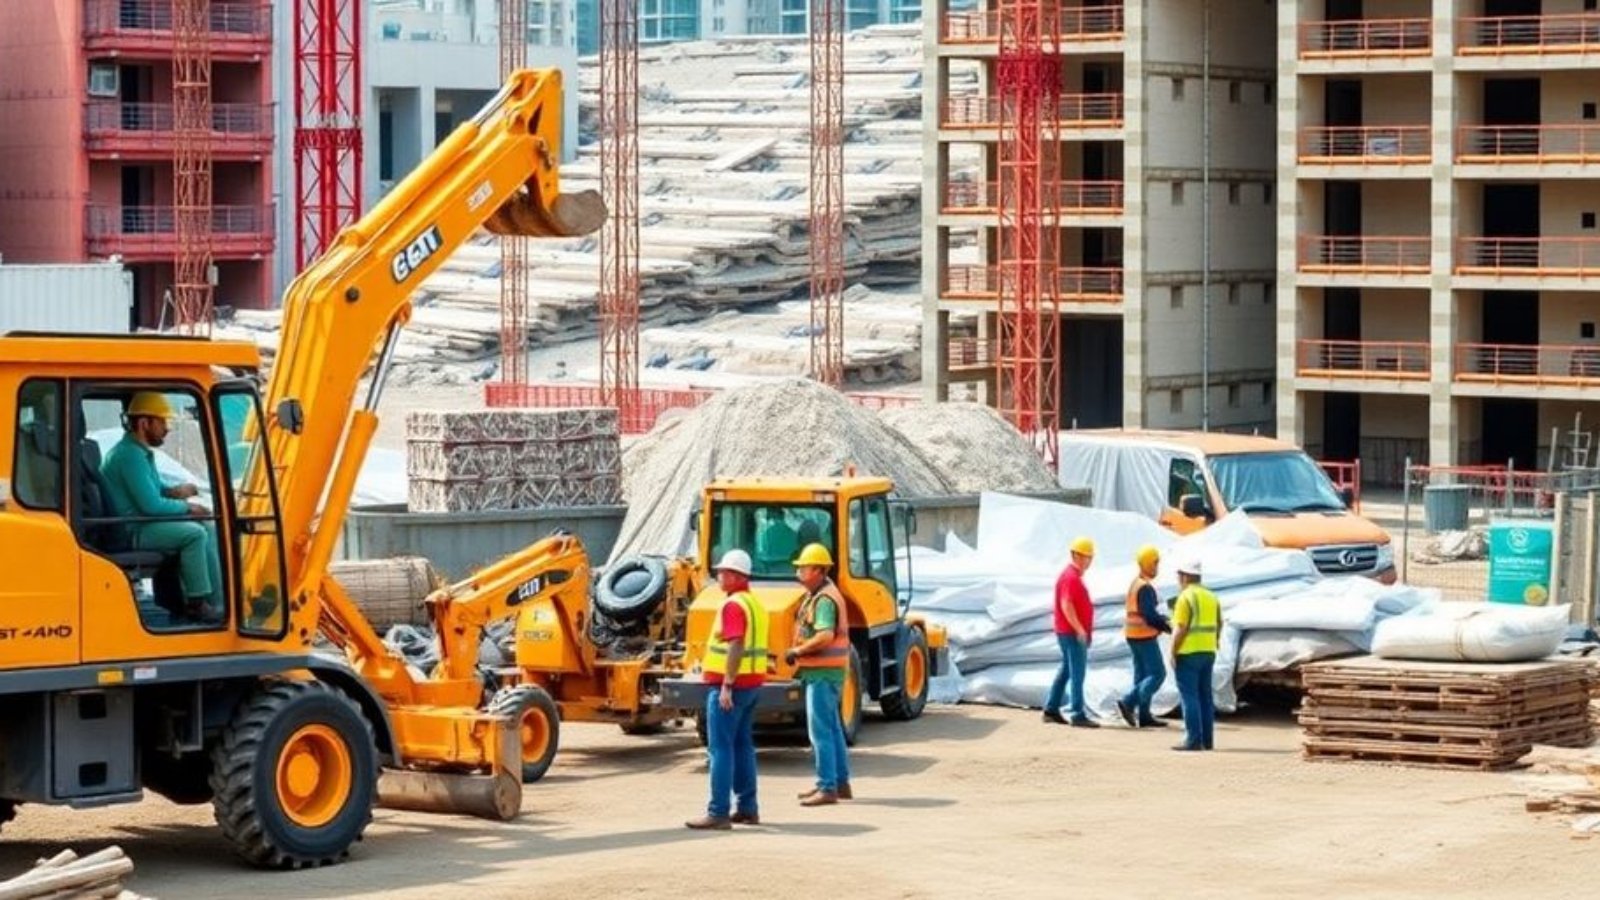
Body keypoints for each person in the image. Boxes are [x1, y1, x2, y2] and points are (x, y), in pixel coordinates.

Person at [100, 392, 223, 622]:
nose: (167, 428)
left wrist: (174, 491)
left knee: (206, 525)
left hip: (138, 523)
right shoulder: (130, 456)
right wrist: (187, 508)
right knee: (194, 534)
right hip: (132, 529)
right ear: (145, 423)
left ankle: (214, 599)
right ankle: (198, 603)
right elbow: (152, 506)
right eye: (162, 421)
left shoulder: (136, 452)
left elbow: (153, 488)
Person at [686, 549, 770, 830]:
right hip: (752, 685)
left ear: (735, 576)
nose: (718, 576)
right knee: (742, 745)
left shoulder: (733, 605)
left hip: (731, 689)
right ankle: (748, 808)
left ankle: (718, 811)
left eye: (723, 572)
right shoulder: (755, 604)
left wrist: (726, 685)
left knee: (720, 749)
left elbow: (736, 645)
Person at [785, 543, 852, 806]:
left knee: (820, 731)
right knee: (833, 729)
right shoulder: (822, 594)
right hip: (827, 672)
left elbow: (825, 635)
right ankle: (840, 782)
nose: (799, 571)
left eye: (803, 567)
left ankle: (827, 787)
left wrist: (798, 650)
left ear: (819, 570)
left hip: (823, 673)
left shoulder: (824, 600)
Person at [1044, 536, 1097, 728]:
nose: (1088, 561)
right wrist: (1080, 629)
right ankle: (1077, 713)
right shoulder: (1071, 578)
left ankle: (1051, 708)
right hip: (1072, 634)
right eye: (1085, 557)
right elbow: (1066, 604)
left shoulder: (1071, 577)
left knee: (1067, 670)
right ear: (1075, 555)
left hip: (1068, 632)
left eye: (1090, 557)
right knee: (1077, 673)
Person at [1116, 544, 1172, 729]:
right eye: (1155, 563)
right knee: (1157, 674)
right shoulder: (1145, 588)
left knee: (1141, 676)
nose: (1157, 567)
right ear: (1147, 563)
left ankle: (1144, 715)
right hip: (1144, 636)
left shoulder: (1135, 583)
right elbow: (1148, 614)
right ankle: (1128, 702)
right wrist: (1166, 625)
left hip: (1132, 635)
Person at [1170, 557, 1222, 752]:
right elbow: (1219, 624)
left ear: (1184, 576)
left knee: (1189, 696)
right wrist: (1215, 643)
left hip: (1188, 652)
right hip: (1208, 652)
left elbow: (1180, 628)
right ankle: (1207, 741)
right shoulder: (1211, 597)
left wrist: (1172, 651)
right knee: (1205, 697)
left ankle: (1193, 740)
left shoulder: (1185, 598)